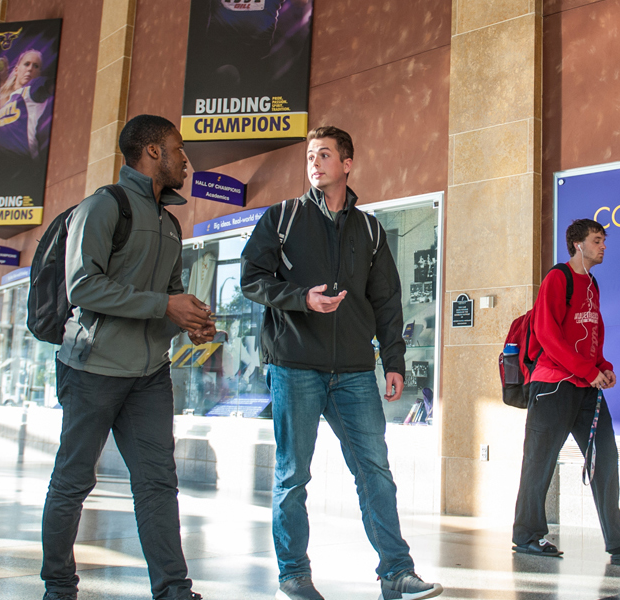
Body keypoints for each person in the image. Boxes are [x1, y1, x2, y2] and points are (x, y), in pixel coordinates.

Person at [242, 126, 443, 600]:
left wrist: (393, 360)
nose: (315, 162)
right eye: (311, 155)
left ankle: (396, 571)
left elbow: (388, 301)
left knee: (375, 471)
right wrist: (299, 298)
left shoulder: (370, 230)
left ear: (347, 164)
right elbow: (251, 278)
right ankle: (294, 574)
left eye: (325, 154)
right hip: (294, 365)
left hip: (354, 370)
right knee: (293, 476)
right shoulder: (283, 218)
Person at [40, 115, 216, 600]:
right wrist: (164, 305)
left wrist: (190, 320)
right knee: (73, 482)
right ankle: (58, 588)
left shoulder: (170, 221)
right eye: (179, 149)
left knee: (158, 484)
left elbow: (171, 292)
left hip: (149, 374)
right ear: (153, 152)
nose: (186, 160)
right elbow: (83, 286)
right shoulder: (104, 207)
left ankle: (174, 591)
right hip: (92, 370)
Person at [510, 218, 620, 561]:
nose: (603, 246)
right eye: (597, 240)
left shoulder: (592, 284)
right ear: (578, 245)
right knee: (539, 461)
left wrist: (603, 367)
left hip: (586, 387)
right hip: (553, 386)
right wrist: (586, 370)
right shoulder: (557, 278)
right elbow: (548, 335)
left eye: (603, 240)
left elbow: (592, 335)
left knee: (605, 458)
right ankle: (527, 536)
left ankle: (618, 540)